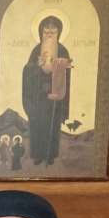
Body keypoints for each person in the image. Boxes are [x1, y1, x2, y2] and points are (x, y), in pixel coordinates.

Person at [23, 16, 74, 166]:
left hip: (55, 97)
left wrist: (60, 67)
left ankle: (50, 155)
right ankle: (38, 155)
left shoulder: (62, 50)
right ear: (41, 30)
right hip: (38, 98)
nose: (50, 32)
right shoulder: (36, 50)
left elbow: (67, 75)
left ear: (59, 31)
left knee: (52, 126)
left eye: (54, 28)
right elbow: (27, 71)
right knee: (38, 125)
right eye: (47, 28)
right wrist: (36, 66)